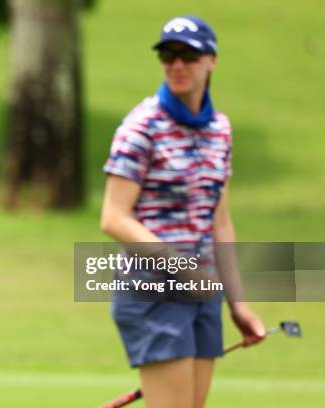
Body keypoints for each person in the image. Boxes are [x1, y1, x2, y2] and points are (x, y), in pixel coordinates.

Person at [100, 17, 266, 408]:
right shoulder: (141, 128)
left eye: (188, 55)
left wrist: (237, 304)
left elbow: (219, 221)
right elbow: (113, 217)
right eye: (168, 55)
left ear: (212, 61)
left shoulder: (219, 130)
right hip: (153, 290)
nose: (177, 64)